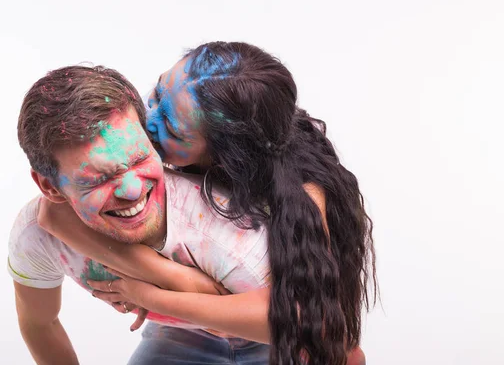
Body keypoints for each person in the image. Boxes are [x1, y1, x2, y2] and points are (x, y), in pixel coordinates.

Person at [41, 42, 376, 365]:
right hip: (189, 327)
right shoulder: (156, 147)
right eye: (157, 95)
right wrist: (162, 272)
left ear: (226, 158)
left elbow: (301, 317)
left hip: (270, 337)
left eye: (170, 127)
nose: (148, 120)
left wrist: (147, 296)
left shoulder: (305, 195)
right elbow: (53, 214)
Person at [12, 65, 281, 365]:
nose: (131, 190)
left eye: (139, 158)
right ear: (50, 187)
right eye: (99, 179)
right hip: (186, 334)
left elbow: (313, 327)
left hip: (287, 339)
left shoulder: (231, 234)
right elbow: (39, 323)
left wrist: (143, 291)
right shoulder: (38, 235)